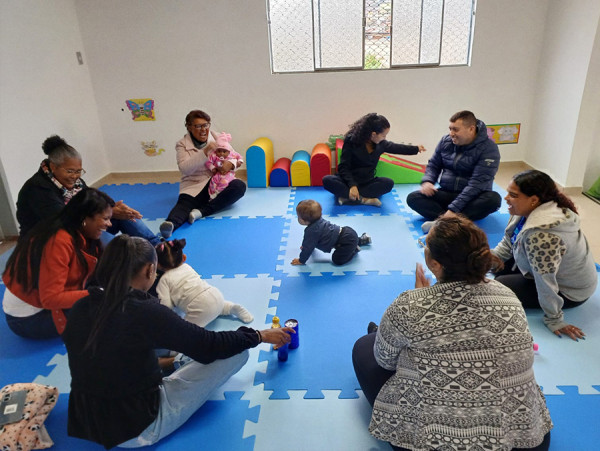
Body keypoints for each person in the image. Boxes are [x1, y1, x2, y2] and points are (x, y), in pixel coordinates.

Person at [62, 235, 293, 449]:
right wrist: (258, 335)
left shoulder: (81, 306)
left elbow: (113, 355)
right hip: (137, 429)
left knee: (129, 344)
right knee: (236, 351)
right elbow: (210, 345)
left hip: (87, 420)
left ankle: (175, 361)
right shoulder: (145, 311)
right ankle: (179, 362)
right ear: (150, 270)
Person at [352, 216, 552, 451]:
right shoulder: (505, 294)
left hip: (434, 441)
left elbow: (385, 361)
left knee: (365, 346)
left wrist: (420, 302)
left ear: (434, 264)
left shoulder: (409, 305)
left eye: (425, 245)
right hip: (521, 439)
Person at [492, 170, 597, 340]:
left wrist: (554, 319)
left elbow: (545, 281)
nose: (506, 198)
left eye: (513, 195)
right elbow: (508, 242)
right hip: (548, 267)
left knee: (499, 285)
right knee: (496, 267)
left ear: (533, 200)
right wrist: (489, 258)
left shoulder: (542, 236)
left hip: (570, 291)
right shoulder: (525, 212)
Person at [2, 188, 114, 339]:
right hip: (29, 318)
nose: (110, 224)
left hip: (42, 299)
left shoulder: (75, 229)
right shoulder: (58, 241)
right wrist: (99, 294)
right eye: (105, 219)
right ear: (85, 218)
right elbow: (51, 299)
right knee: (110, 310)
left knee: (111, 290)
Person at [16, 135, 161, 245]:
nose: (75, 176)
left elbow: (93, 198)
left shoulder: (76, 183)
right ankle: (126, 260)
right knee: (114, 246)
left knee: (126, 217)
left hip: (82, 225)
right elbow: (64, 221)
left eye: (79, 171)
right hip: (49, 239)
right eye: (70, 171)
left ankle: (159, 248)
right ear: (53, 167)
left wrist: (114, 208)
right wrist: (108, 213)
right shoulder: (37, 188)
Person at [406, 110, 502, 232]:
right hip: (447, 192)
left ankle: (443, 221)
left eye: (455, 130)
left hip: (472, 197)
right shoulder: (445, 141)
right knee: (413, 198)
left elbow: (477, 184)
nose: (451, 133)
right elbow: (434, 164)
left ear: (471, 129)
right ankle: (454, 221)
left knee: (493, 200)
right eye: (450, 129)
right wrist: (428, 181)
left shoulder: (489, 149)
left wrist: (453, 209)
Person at [160, 110, 246, 238]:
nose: (203, 129)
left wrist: (231, 164)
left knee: (239, 186)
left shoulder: (217, 137)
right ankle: (170, 224)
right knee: (184, 205)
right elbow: (185, 169)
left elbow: (235, 155)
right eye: (198, 126)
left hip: (218, 183)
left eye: (206, 125)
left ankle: (201, 212)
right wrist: (205, 152)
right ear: (189, 127)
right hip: (194, 184)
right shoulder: (181, 144)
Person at [322, 113, 426, 207]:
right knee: (327, 180)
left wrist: (416, 148)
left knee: (388, 183)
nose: (384, 138)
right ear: (373, 134)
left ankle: (347, 197)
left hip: (366, 182)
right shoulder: (351, 141)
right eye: (383, 135)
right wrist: (352, 185)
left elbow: (396, 147)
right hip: (348, 181)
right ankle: (364, 199)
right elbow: (344, 167)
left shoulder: (380, 144)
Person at [155, 238, 253, 327]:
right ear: (184, 258)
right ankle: (232, 308)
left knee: (186, 330)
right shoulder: (187, 267)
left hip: (199, 307)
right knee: (220, 307)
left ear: (157, 265)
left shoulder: (163, 280)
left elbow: (166, 306)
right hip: (215, 294)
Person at [291, 199, 371, 266]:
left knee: (337, 260)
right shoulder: (318, 219)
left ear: (305, 221)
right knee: (352, 240)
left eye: (299, 217)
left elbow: (308, 247)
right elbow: (312, 242)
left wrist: (301, 260)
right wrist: (307, 246)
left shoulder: (311, 231)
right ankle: (363, 239)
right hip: (347, 231)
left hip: (345, 242)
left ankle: (353, 250)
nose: (298, 218)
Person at [205, 132, 244, 200]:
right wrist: (213, 168)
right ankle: (212, 194)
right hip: (217, 173)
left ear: (228, 151)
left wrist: (239, 161)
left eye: (224, 151)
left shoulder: (232, 154)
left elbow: (239, 156)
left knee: (225, 182)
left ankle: (218, 192)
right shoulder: (214, 155)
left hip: (228, 173)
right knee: (213, 182)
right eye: (219, 151)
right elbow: (208, 162)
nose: (221, 153)